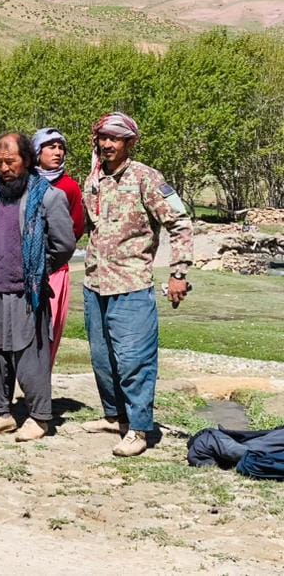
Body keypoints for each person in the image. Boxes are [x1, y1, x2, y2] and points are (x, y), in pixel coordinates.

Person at [81, 112, 192, 457]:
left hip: (131, 286)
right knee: (103, 359)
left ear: (130, 143)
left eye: (115, 139)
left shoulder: (147, 178)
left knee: (134, 361)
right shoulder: (95, 178)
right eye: (103, 138)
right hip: (95, 283)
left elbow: (181, 224)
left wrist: (178, 273)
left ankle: (140, 429)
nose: (107, 145)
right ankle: (116, 417)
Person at [0, 133, 75, 442]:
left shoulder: (47, 196)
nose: (4, 168)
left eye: (10, 162)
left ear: (27, 161)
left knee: (30, 356)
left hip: (26, 290)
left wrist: (38, 266)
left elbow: (65, 243)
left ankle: (40, 417)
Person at [31, 128, 85, 366]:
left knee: (50, 326)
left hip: (55, 268)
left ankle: (43, 380)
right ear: (37, 151)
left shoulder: (69, 187)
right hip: (25, 266)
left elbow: (76, 228)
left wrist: (53, 255)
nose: (57, 152)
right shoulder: (25, 181)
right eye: (51, 147)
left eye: (61, 147)